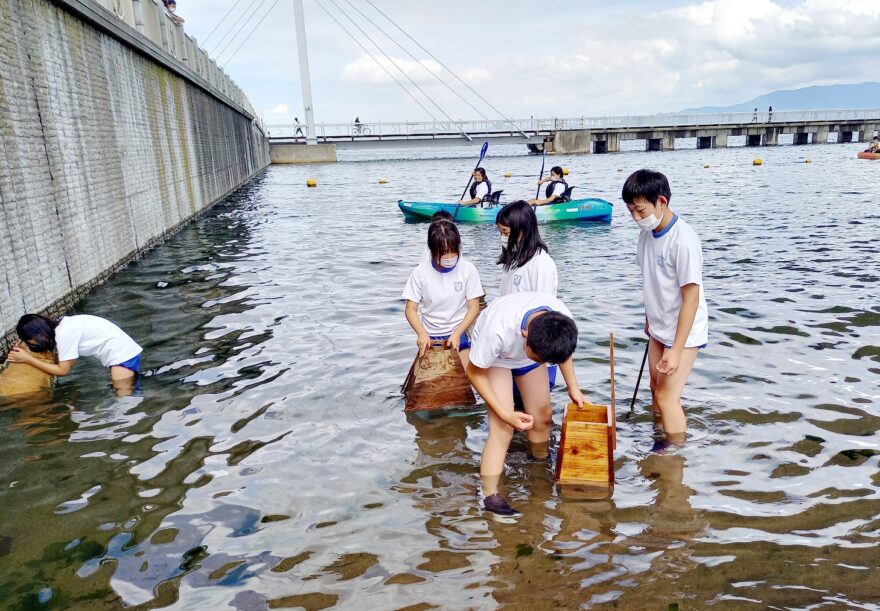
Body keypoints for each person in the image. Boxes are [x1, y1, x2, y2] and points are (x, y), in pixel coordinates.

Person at [467, 292, 585, 515]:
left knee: (543, 418)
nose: (544, 363)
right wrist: (505, 413)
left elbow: (562, 353)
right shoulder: (496, 330)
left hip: (528, 353)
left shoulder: (562, 321)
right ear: (524, 334)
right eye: (540, 358)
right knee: (503, 430)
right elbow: (474, 372)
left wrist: (574, 389)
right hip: (497, 358)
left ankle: (538, 467)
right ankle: (489, 494)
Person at [622, 169, 708, 443]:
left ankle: (673, 457)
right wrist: (650, 320)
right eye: (630, 211)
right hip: (659, 325)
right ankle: (659, 438)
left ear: (661, 201)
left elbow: (691, 298)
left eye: (640, 210)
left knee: (667, 397)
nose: (636, 218)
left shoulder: (683, 240)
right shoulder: (647, 234)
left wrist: (676, 348)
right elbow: (653, 280)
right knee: (654, 389)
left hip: (684, 331)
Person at [403, 221, 484, 369]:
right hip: (430, 337)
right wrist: (421, 333)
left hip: (460, 333)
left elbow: (474, 307)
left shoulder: (468, 270)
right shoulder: (420, 272)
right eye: (443, 253)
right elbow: (410, 309)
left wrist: (458, 333)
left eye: (453, 251)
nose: (450, 256)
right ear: (432, 250)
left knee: (464, 382)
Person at [8, 313, 144, 395]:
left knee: (125, 403)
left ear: (38, 334)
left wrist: (28, 359)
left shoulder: (64, 334)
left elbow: (63, 370)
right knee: (131, 391)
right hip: (123, 353)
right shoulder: (63, 325)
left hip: (121, 357)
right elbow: (70, 361)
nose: (34, 345)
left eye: (31, 342)